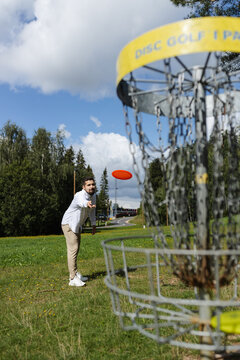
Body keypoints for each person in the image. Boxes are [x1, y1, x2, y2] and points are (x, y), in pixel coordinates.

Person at [61, 177, 96, 287]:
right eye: (89, 185)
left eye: (93, 184)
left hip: (76, 226)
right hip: (68, 224)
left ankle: (75, 274)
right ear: (83, 187)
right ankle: (72, 278)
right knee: (73, 250)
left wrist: (94, 224)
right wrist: (87, 204)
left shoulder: (94, 196)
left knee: (76, 249)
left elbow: (92, 211)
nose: (91, 187)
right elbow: (82, 203)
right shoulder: (79, 195)